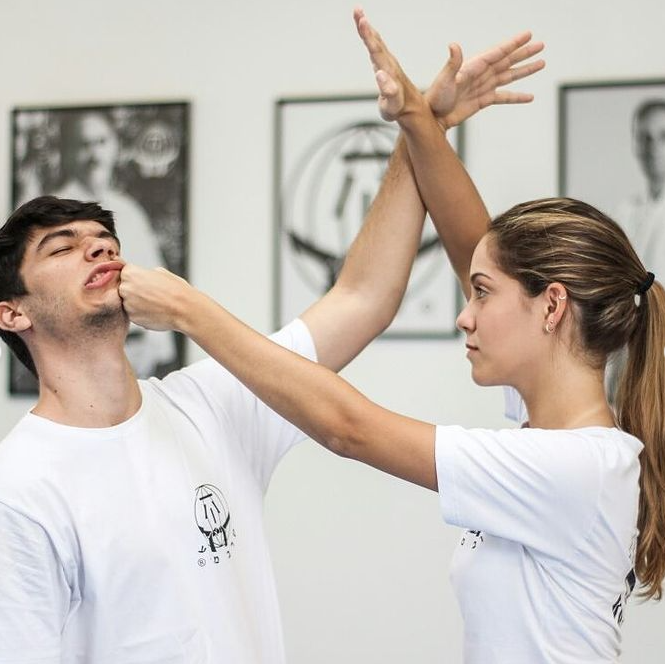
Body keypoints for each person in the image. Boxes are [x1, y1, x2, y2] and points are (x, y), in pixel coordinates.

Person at [117, 10, 665, 663]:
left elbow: (347, 427)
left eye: (480, 297)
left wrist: (188, 309)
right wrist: (420, 123)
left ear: (551, 308)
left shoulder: (573, 466)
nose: (464, 316)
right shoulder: (550, 430)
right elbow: (475, 246)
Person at [0, 20, 544, 662]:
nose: (96, 249)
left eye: (105, 243)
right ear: (12, 313)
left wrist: (419, 128)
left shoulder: (209, 404)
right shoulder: (21, 484)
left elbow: (363, 297)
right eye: (62, 249)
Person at [53, 110, 177, 377]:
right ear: (69, 152)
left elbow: (154, 277)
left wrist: (155, 349)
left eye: (101, 142)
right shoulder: (52, 215)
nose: (94, 154)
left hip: (141, 358)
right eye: (84, 144)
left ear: (114, 147)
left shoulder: (130, 210)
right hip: (81, 358)